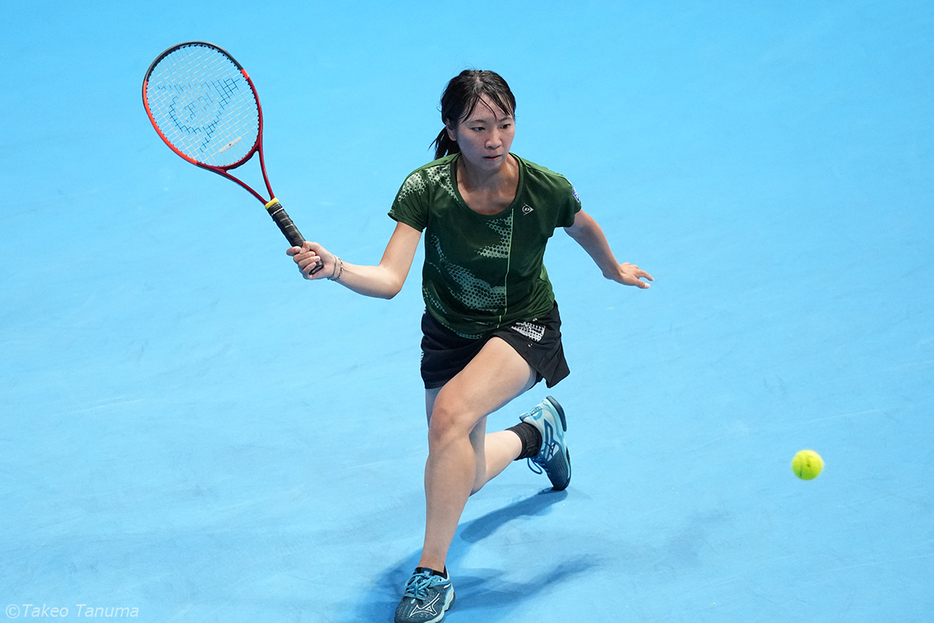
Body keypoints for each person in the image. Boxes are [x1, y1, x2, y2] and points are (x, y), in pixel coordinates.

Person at [288, 69, 653, 623]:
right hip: (449, 332)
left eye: (504, 124)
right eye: (479, 127)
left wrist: (613, 270)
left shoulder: (543, 187)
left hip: (524, 325)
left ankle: (431, 574)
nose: (494, 140)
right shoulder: (425, 188)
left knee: (449, 419)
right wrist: (333, 267)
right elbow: (390, 280)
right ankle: (538, 433)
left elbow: (582, 225)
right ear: (452, 130)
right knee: (465, 473)